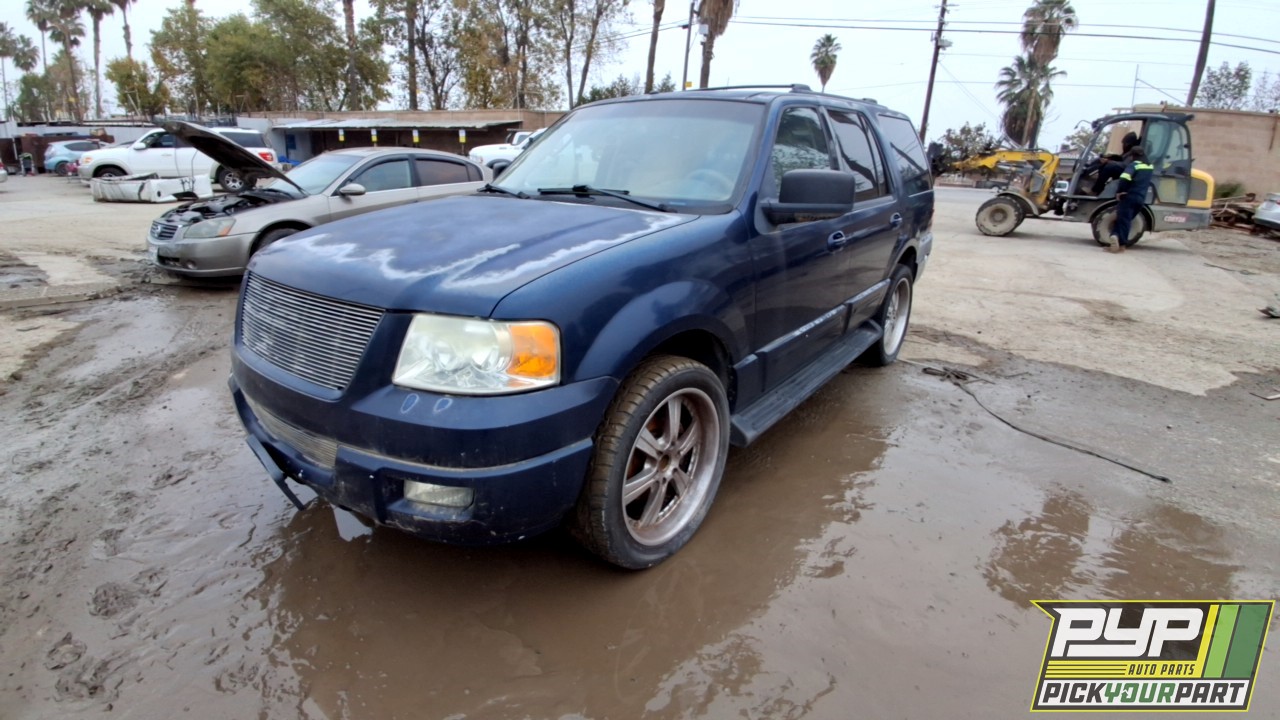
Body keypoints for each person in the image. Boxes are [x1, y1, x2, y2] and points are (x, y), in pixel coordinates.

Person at [1107, 146, 1154, 253]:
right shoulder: (1150, 166)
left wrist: (1120, 191)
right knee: (1124, 220)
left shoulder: (1134, 165)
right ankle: (1115, 236)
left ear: (1133, 155)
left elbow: (1124, 177)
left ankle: (1121, 244)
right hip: (1141, 198)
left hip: (1129, 196)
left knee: (1123, 220)